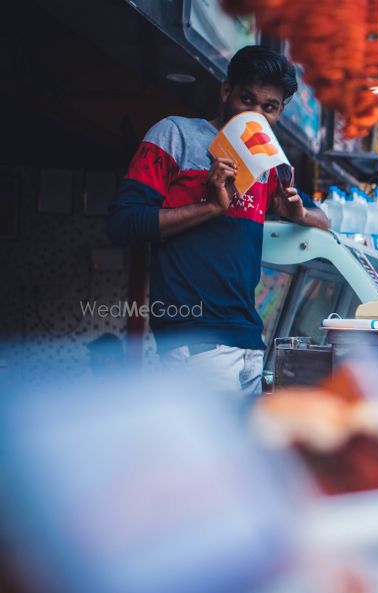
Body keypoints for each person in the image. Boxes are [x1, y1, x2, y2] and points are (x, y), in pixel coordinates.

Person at [107, 46, 329, 394]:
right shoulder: (175, 135)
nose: (256, 114)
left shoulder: (267, 159)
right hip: (194, 336)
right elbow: (123, 224)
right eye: (247, 100)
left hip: (248, 339)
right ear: (226, 91)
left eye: (268, 107)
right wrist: (210, 207)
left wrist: (297, 213)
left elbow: (324, 221)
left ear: (280, 111)